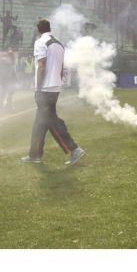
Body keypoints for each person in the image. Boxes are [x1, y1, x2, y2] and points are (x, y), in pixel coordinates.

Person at [21, 19, 85, 165]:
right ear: (49, 28)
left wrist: (38, 87)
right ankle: (34, 155)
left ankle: (74, 149)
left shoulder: (40, 42)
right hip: (54, 86)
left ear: (38, 30)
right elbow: (61, 68)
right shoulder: (59, 44)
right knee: (40, 123)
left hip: (45, 88)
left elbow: (42, 66)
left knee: (51, 121)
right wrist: (58, 83)